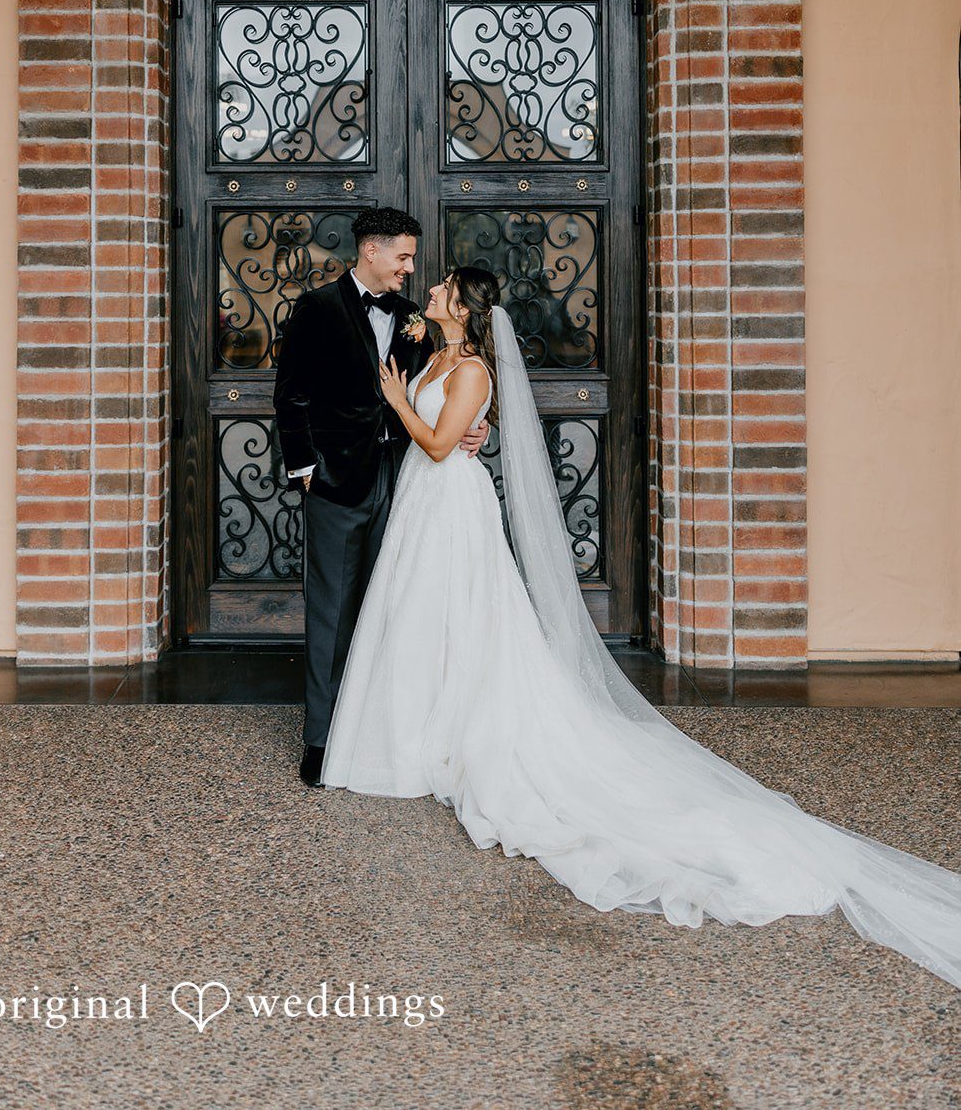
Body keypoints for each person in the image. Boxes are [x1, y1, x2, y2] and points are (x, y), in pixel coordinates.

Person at [319, 265, 961, 992]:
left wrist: (398, 401)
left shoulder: (465, 367)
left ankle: (451, 725)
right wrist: (426, 397)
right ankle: (417, 725)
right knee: (419, 615)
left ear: (463, 310)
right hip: (423, 503)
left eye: (440, 291)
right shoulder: (437, 352)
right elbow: (455, 429)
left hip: (448, 501)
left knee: (460, 613)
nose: (428, 293)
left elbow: (438, 445)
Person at [272, 208, 489, 787]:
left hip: (406, 482)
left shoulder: (415, 318)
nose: (410, 269)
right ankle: (321, 739)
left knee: (391, 609)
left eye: (413, 260)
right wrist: (304, 470)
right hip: (337, 482)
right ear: (372, 251)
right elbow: (290, 397)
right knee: (331, 610)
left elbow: (440, 391)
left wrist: (476, 426)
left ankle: (376, 729)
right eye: (404, 257)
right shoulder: (316, 310)